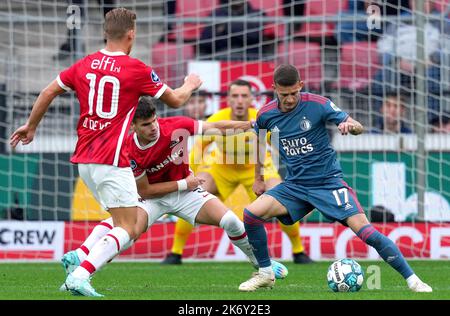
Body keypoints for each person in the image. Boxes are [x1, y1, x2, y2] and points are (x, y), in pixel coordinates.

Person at [10, 7, 202, 297]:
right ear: (131, 35)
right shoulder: (136, 69)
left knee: (124, 218)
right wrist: (189, 85)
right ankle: (80, 275)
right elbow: (175, 101)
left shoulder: (84, 63)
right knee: (130, 227)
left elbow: (49, 90)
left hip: (84, 160)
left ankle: (80, 256)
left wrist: (31, 126)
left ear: (104, 33)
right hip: (111, 159)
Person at [237, 64, 432, 293]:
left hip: (328, 183)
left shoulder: (318, 104)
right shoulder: (266, 114)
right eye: (284, 94)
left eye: (293, 93)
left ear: (300, 85)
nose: (289, 99)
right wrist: (258, 177)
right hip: (295, 185)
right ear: (274, 89)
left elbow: (357, 125)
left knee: (367, 233)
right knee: (251, 214)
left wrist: (350, 125)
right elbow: (260, 142)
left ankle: (413, 280)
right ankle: (265, 273)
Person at [60, 97, 288, 281]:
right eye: (146, 125)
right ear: (133, 126)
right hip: (153, 199)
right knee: (126, 231)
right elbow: (146, 191)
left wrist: (251, 125)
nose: (153, 128)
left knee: (231, 221)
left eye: (154, 121)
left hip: (186, 195)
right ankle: (83, 268)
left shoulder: (175, 126)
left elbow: (215, 126)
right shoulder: (129, 150)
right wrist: (183, 183)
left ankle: (261, 265)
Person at [162, 79, 313, 265]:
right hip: (221, 167)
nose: (239, 100)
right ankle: (175, 253)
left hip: (256, 168)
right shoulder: (217, 119)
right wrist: (186, 176)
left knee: (282, 199)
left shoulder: (263, 118)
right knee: (191, 195)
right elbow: (198, 150)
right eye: (235, 96)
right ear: (228, 100)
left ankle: (298, 252)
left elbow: (284, 149)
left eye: (244, 96)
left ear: (251, 99)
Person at [198, 0, 265, 60]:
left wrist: (225, 26)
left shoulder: (257, 13)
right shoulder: (216, 14)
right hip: (221, 58)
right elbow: (206, 41)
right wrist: (242, 27)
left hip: (251, 58)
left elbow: (254, 35)